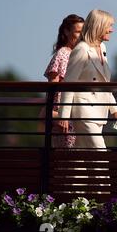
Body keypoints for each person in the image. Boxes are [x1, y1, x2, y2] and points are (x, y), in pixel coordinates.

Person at [58, 9, 117, 149]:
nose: (111, 30)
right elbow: (68, 83)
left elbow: (104, 84)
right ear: (99, 26)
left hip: (99, 113)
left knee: (84, 159)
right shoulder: (82, 49)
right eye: (109, 26)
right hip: (84, 112)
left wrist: (115, 110)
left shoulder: (102, 47)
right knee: (100, 154)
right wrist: (63, 116)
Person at [41, 14, 84, 148]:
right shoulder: (62, 54)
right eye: (78, 31)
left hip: (74, 112)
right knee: (66, 156)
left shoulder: (79, 53)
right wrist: (58, 115)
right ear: (66, 31)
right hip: (64, 116)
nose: (81, 36)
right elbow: (52, 88)